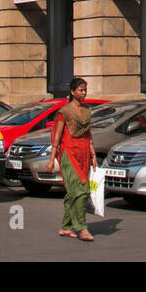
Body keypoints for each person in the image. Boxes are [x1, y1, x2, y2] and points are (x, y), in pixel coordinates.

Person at [46, 77, 98, 242]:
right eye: (80, 90)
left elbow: (88, 134)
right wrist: (51, 159)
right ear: (72, 92)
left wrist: (93, 155)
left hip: (83, 153)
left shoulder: (87, 110)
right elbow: (57, 136)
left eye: (85, 90)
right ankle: (82, 227)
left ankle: (66, 227)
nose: (83, 93)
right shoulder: (65, 111)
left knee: (71, 193)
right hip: (69, 154)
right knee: (81, 190)